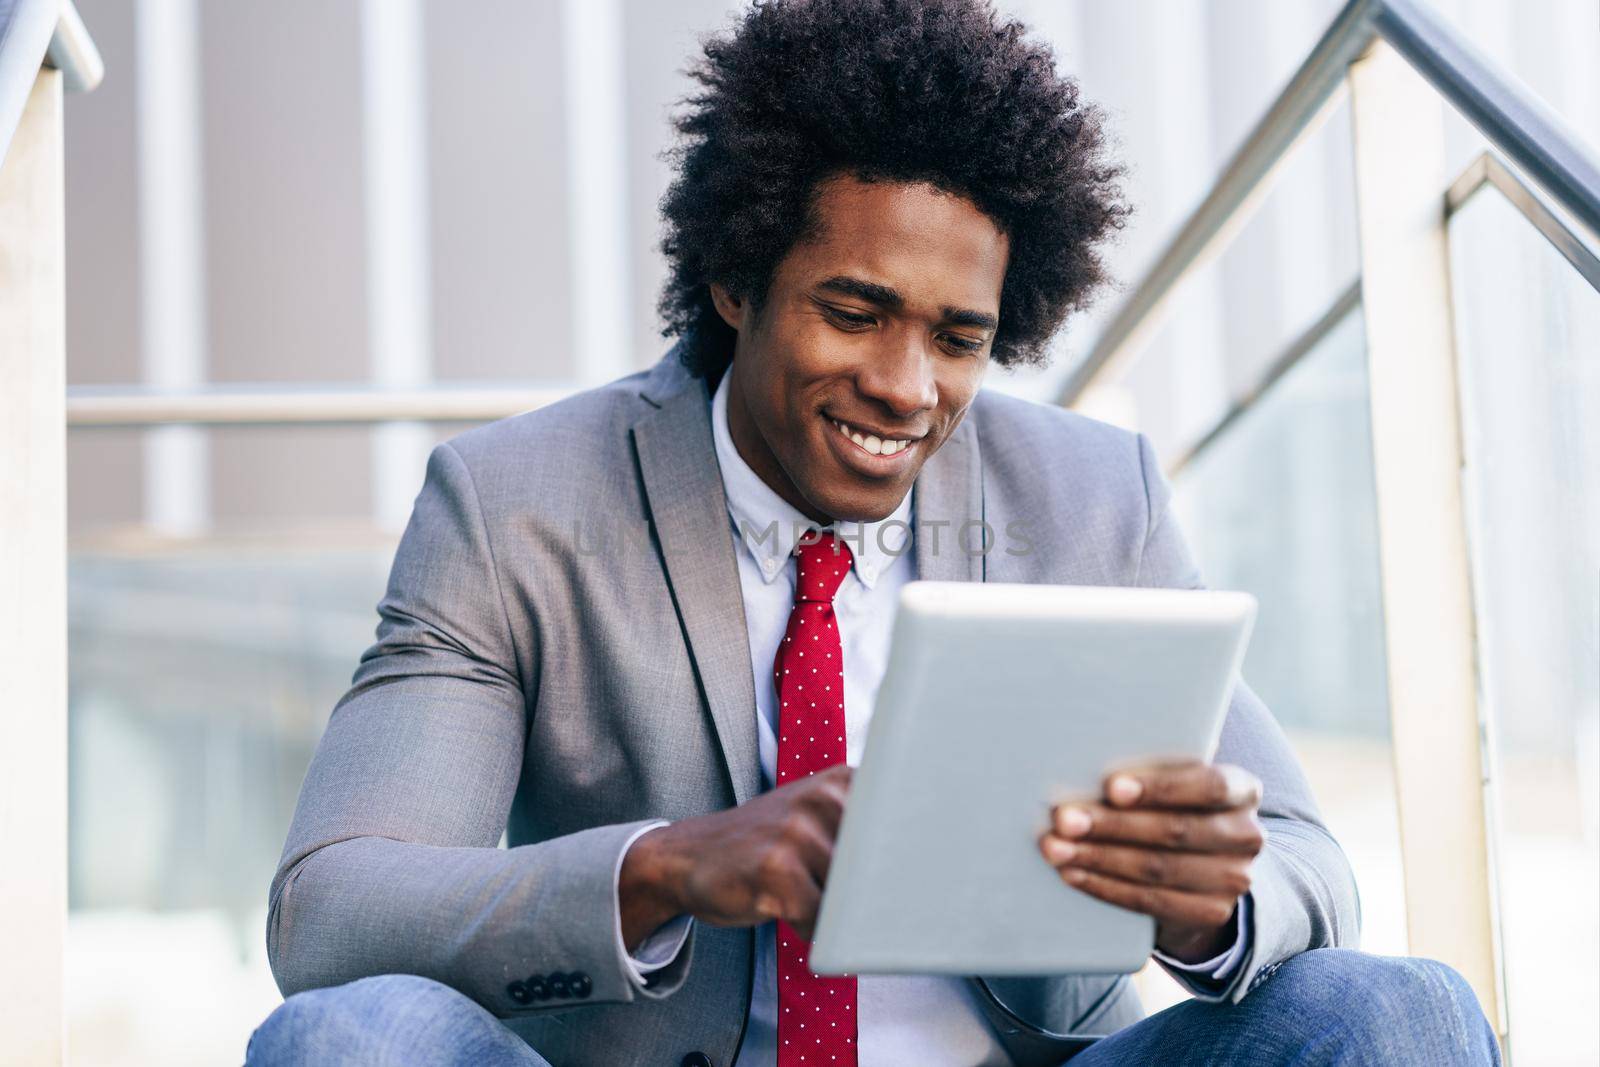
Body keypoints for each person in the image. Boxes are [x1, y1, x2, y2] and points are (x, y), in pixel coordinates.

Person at [245, 1, 1499, 1064]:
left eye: (958, 338)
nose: (909, 386)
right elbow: (333, 909)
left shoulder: (1088, 493)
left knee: (1401, 1007)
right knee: (351, 1038)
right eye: (855, 311)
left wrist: (1207, 904)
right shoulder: (516, 504)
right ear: (737, 281)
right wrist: (664, 867)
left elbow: (1306, 864)